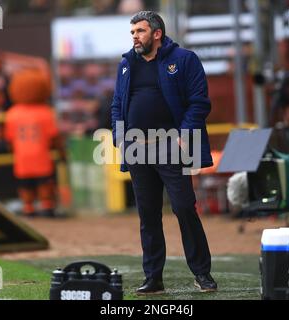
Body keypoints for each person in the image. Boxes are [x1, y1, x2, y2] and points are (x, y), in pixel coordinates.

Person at [111, 11, 217, 295]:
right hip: (137, 149)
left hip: (172, 146)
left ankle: (202, 273)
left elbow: (199, 102)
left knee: (184, 207)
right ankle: (153, 277)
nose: (135, 36)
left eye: (140, 31)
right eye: (132, 32)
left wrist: (185, 134)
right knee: (148, 214)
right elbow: (117, 103)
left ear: (157, 34)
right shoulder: (126, 64)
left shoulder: (184, 59)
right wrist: (119, 136)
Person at [4, 69, 66, 218]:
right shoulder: (46, 112)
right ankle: (47, 207)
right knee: (45, 184)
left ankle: (28, 208)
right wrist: (61, 152)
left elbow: (9, 139)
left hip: (22, 160)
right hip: (41, 158)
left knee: (25, 186)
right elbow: (54, 137)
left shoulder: (12, 113)